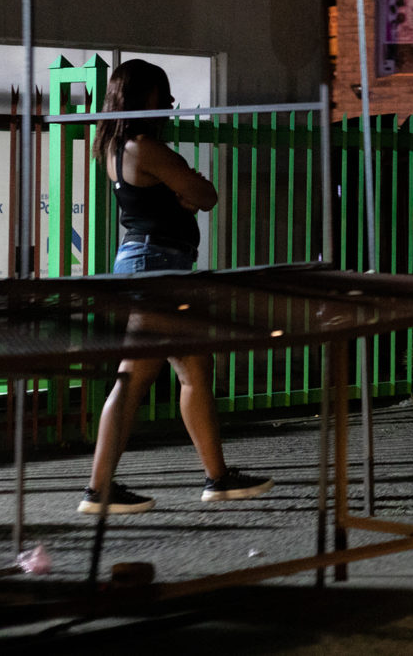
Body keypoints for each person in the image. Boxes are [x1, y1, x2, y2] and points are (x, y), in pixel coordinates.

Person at [78, 59, 273, 515]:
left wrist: (182, 193)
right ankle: (101, 487)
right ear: (145, 97)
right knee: (142, 376)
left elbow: (190, 196)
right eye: (163, 97)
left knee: (189, 371)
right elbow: (205, 196)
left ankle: (216, 477)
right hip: (158, 265)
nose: (169, 106)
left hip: (148, 262)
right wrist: (186, 192)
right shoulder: (144, 147)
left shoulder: (113, 145)